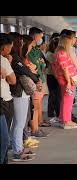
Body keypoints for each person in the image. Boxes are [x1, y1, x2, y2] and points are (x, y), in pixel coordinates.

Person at [8, 32, 37, 161]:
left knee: (18, 123)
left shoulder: (14, 57)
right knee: (19, 123)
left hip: (20, 93)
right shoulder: (14, 57)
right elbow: (25, 71)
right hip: (18, 93)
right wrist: (36, 78)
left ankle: (17, 147)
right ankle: (17, 151)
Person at [53, 35, 77, 129]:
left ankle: (62, 118)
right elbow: (65, 68)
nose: (71, 44)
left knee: (65, 99)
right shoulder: (62, 53)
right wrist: (68, 82)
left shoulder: (57, 52)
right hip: (67, 80)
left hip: (63, 79)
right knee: (68, 100)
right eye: (69, 42)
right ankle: (67, 121)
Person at [27, 27, 51, 132]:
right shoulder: (29, 51)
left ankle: (39, 122)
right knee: (35, 106)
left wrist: (41, 64)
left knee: (39, 103)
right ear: (34, 36)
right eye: (40, 37)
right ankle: (35, 129)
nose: (41, 39)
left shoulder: (36, 50)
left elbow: (42, 65)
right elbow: (36, 66)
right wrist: (40, 64)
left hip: (40, 78)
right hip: (35, 80)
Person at [0, 33, 16, 164]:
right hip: (4, 100)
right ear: (4, 48)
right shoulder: (3, 60)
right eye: (9, 47)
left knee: (3, 138)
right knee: (4, 138)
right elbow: (13, 80)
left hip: (5, 100)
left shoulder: (5, 60)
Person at [46, 35, 60, 124]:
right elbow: (55, 65)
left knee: (54, 95)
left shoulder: (51, 53)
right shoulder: (51, 55)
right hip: (52, 76)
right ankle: (51, 113)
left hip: (53, 76)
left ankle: (52, 112)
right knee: (54, 95)